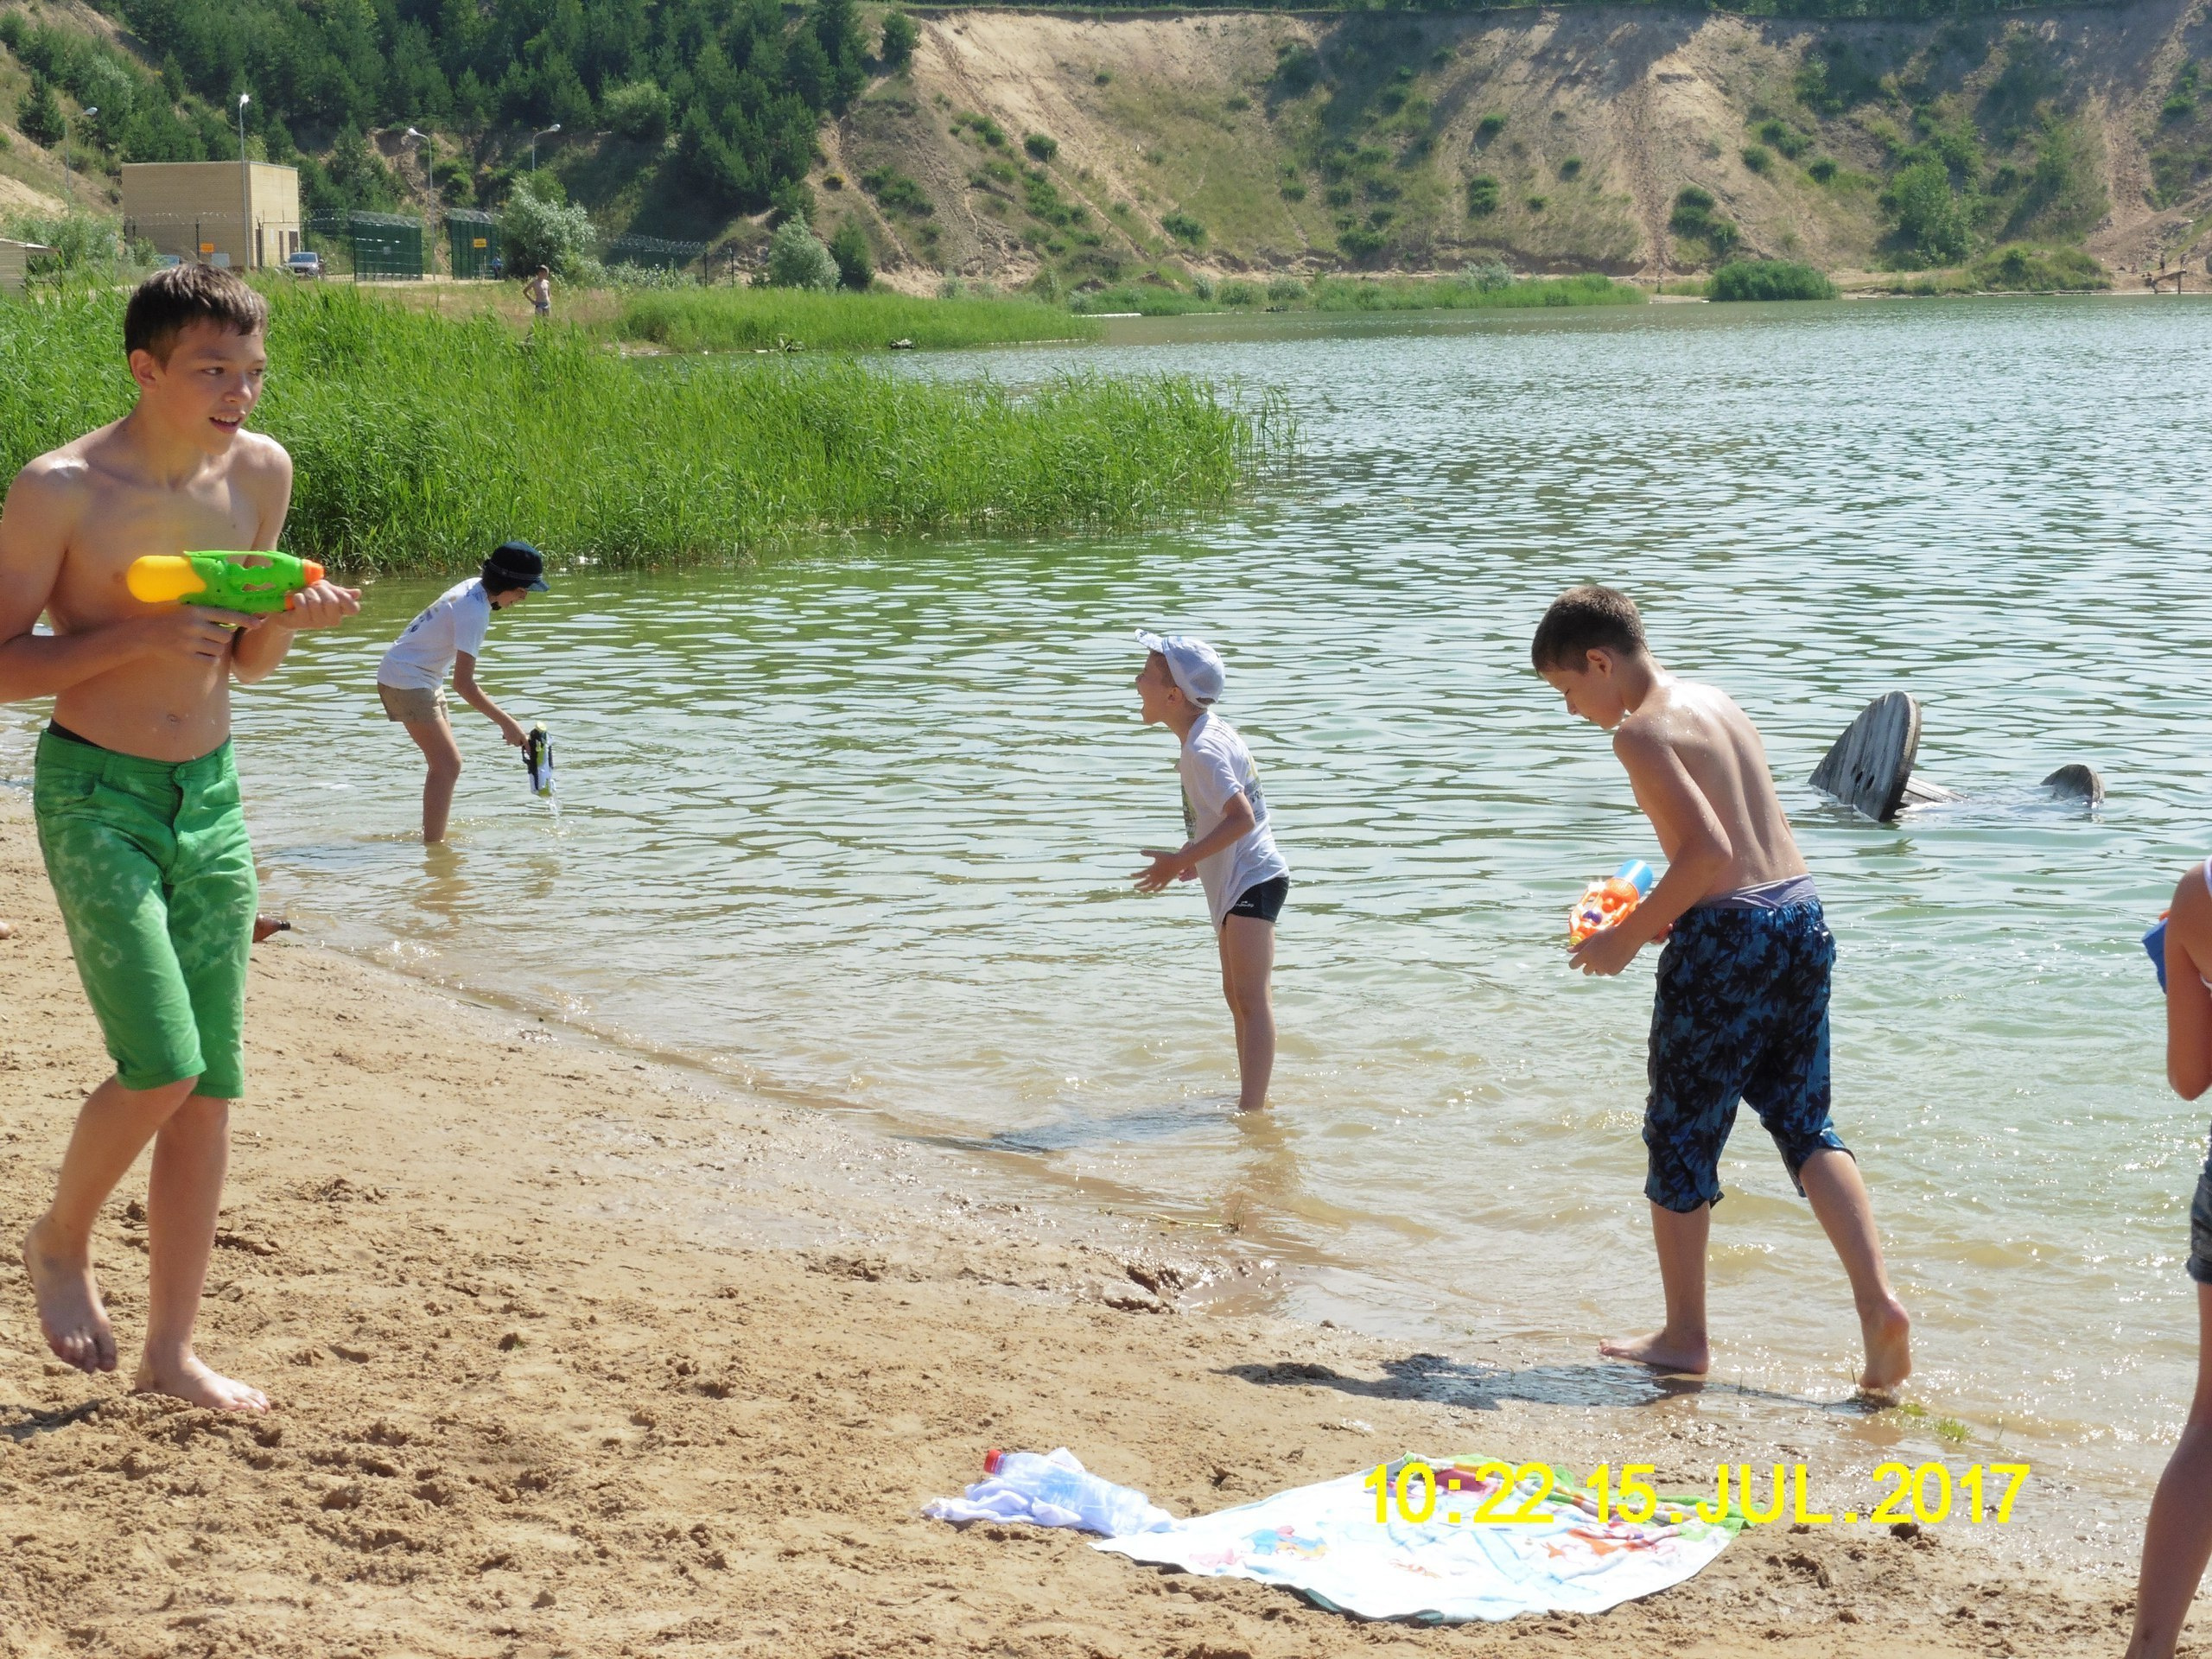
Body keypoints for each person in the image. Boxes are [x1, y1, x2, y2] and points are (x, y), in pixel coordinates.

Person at [0, 264, 360, 1412]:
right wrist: (141, 629)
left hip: (211, 794)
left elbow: (242, 665)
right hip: (94, 790)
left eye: (252, 372)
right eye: (214, 369)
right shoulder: (59, 489)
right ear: (144, 368)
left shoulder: (261, 475)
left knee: (209, 1092)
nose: (240, 393)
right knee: (164, 1060)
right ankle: (59, 1240)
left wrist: (281, 625)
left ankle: (171, 1354)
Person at [1529, 585, 1910, 1393]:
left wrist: (1626, 938)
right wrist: (1663, 907)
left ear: (1600, 661)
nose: (1572, 711)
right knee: (1805, 1121)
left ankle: (1685, 1336)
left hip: (1728, 942)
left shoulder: (1639, 734)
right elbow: (1740, 851)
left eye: (1568, 691)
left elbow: (1707, 852)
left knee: (1679, 1136)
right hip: (1800, 915)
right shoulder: (1716, 700)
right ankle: (1878, 1305)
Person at [1129, 631, 1289, 1113]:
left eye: (1146, 674)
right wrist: (1197, 855)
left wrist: (1182, 860)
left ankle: (1253, 1111)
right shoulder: (1204, 734)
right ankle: (1249, 1098)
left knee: (1251, 997)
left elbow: (1243, 817)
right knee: (1235, 994)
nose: (1136, 680)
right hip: (1243, 876)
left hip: (1254, 877)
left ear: (1174, 694)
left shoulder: (1202, 750)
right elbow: (1226, 817)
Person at [2124, 863, 2212, 1659]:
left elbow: (2191, 1079)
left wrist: (2184, 949)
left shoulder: (2202, 891)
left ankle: (2148, 1650)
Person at [375, 540, 549, 844]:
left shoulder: (473, 588)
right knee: (448, 765)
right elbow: (464, 685)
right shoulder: (475, 611)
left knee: (444, 766)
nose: (523, 597)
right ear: (506, 583)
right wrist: (507, 722)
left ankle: (434, 842)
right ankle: (434, 849)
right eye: (523, 590)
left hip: (419, 676)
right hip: (406, 679)